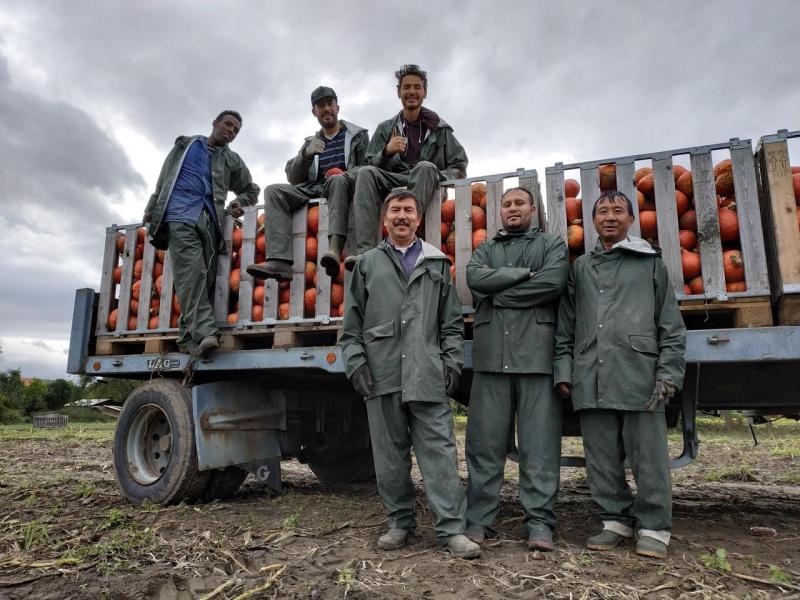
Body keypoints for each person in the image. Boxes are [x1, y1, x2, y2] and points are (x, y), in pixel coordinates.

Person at [340, 189, 480, 559]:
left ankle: (451, 530)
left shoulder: (436, 263)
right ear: (384, 220)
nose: (402, 216)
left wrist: (452, 362)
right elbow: (350, 326)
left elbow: (450, 324)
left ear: (418, 220)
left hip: (426, 373)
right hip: (381, 373)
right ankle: (400, 522)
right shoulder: (367, 264)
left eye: (408, 211)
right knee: (389, 456)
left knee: (439, 452)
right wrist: (356, 364)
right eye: (395, 211)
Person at [553, 190, 686, 559]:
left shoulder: (649, 263)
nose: (609, 217)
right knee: (601, 455)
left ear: (631, 220)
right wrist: (564, 369)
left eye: (618, 211)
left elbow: (671, 326)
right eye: (602, 212)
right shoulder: (580, 268)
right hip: (591, 373)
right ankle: (614, 519)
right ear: (592, 221)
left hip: (638, 372)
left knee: (649, 456)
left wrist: (669, 372)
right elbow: (565, 326)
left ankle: (655, 526)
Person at [464, 187, 569, 551]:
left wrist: (501, 294)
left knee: (539, 446)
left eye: (519, 203)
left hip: (535, 358)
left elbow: (553, 282)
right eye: (507, 204)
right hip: (491, 357)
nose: (512, 208)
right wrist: (526, 275)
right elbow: (475, 279)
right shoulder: (485, 248)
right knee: (483, 445)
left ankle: (540, 522)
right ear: (500, 211)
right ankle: (478, 519)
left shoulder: (552, 245)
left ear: (532, 209)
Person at [143, 110, 259, 357]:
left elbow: (251, 189)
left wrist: (239, 202)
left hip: (208, 219)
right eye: (228, 125)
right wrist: (152, 207)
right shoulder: (186, 145)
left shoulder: (231, 160)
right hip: (179, 214)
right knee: (191, 273)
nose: (231, 131)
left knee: (204, 278)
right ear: (215, 123)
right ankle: (206, 332)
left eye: (236, 130)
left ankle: (186, 338)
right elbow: (163, 180)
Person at [345, 64, 468, 269]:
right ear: (399, 92)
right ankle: (364, 252)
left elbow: (459, 165)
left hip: (424, 183)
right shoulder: (386, 128)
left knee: (426, 167)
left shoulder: (439, 129)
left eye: (417, 87)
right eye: (406, 87)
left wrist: (438, 176)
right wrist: (386, 152)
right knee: (366, 173)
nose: (411, 92)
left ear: (424, 92)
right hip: (393, 183)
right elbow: (367, 163)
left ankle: (409, 241)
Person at [247, 86, 368, 281]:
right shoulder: (311, 141)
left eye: (330, 104)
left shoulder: (357, 136)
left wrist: (347, 174)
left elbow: (367, 166)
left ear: (338, 107)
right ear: (314, 112)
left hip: (344, 185)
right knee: (273, 191)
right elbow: (294, 178)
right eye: (321, 105)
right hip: (315, 187)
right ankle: (279, 263)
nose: (326, 109)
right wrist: (305, 155)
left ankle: (334, 251)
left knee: (337, 180)